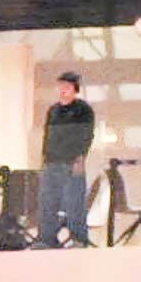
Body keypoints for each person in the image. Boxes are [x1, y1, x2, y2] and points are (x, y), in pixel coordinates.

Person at [37, 70, 98, 246]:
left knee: (74, 203)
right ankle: (46, 239)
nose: (63, 90)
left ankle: (78, 239)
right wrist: (44, 158)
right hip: (52, 163)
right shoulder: (53, 111)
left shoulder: (83, 110)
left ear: (75, 89)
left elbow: (87, 136)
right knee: (47, 203)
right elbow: (47, 136)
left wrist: (80, 158)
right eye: (61, 86)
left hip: (72, 163)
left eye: (67, 87)